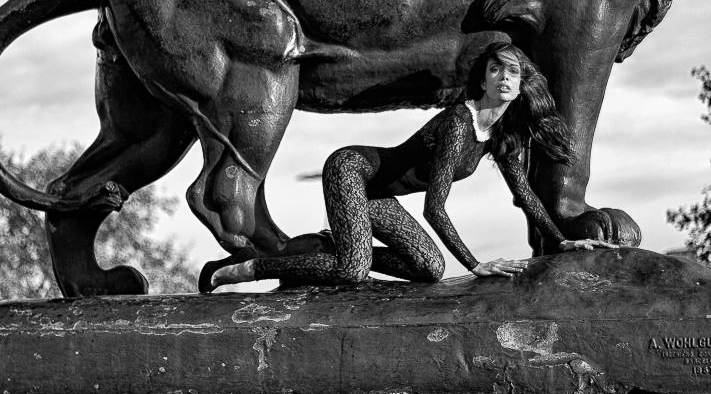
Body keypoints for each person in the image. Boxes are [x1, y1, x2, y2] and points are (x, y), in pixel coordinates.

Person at [207, 42, 615, 290]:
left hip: (378, 196)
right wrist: (476, 265)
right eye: (496, 69)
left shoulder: (502, 133)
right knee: (353, 269)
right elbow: (434, 208)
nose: (504, 77)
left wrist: (560, 239)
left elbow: (523, 192)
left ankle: (330, 245)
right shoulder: (459, 122)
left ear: (522, 82)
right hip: (353, 171)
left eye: (512, 71)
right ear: (484, 80)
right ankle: (246, 269)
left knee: (429, 268)